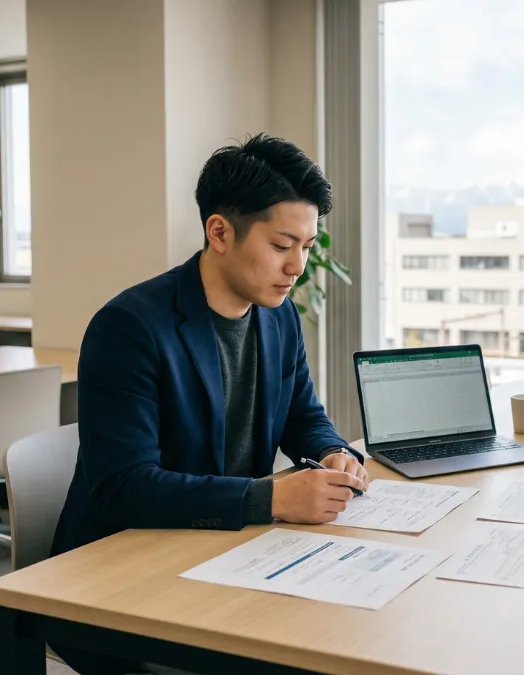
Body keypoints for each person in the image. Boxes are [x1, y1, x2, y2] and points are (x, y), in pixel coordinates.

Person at [50, 134, 367, 674]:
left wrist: (332, 451)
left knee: (344, 632)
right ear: (219, 232)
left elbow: (302, 415)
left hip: (226, 550)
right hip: (123, 575)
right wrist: (270, 498)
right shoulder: (130, 327)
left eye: (308, 246)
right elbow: (123, 487)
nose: (297, 266)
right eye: (282, 245)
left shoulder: (279, 316)